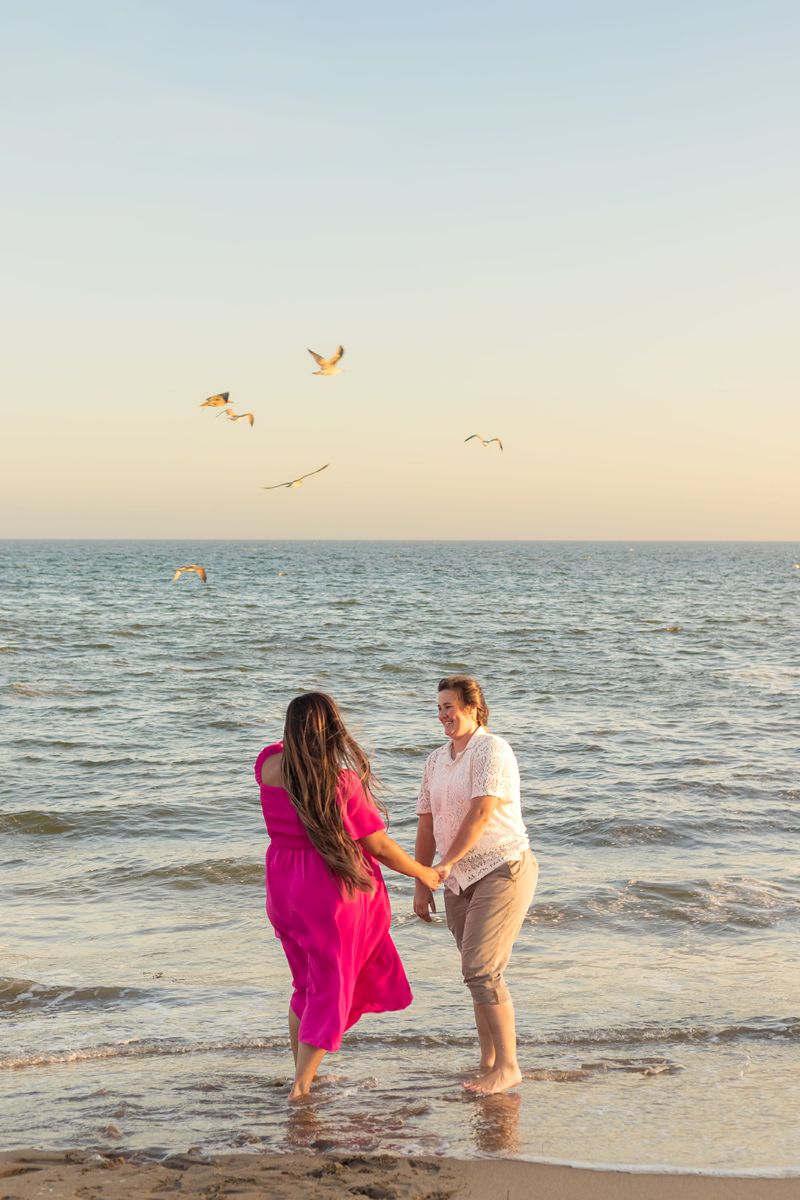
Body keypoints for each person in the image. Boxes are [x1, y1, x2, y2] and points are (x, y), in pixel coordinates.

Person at [255, 691, 442, 1101]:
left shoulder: (267, 765)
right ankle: (301, 1088)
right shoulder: (340, 781)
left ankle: (301, 1074)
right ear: (332, 729)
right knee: (330, 988)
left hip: (283, 889)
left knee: (306, 983)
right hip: (328, 892)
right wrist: (424, 872)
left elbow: (288, 754)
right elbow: (378, 847)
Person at [414, 676, 537, 1095]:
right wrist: (421, 880)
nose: (442, 715)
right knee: (476, 974)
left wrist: (444, 865)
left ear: (473, 708)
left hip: (502, 866)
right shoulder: (436, 760)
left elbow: (482, 812)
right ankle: (487, 1061)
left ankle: (508, 1066)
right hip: (456, 879)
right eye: (438, 708)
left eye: (449, 706)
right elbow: (427, 823)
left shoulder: (492, 749)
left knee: (481, 968)